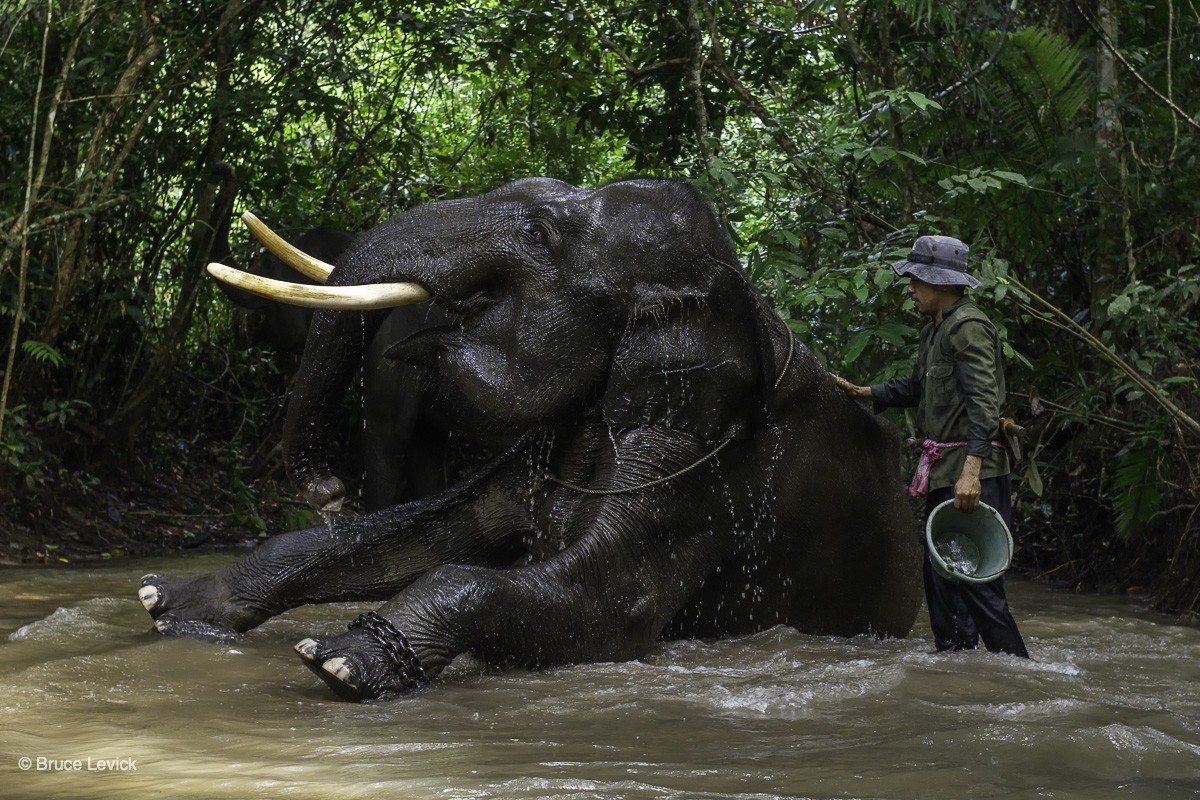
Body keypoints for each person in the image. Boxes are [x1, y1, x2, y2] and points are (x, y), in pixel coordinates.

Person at [833, 234, 1029, 658]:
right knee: (942, 581)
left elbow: (985, 406)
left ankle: (1020, 677)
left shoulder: (969, 328)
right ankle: (958, 669)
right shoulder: (935, 331)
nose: (910, 288)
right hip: (945, 470)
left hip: (972, 471)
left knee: (978, 584)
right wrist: (864, 392)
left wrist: (972, 472)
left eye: (917, 280)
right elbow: (918, 388)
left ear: (942, 283)